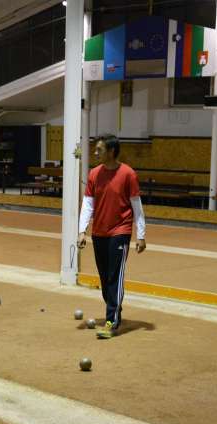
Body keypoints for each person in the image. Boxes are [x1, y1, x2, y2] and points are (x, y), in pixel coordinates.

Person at [78, 133, 146, 339]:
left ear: (111, 151)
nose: (95, 152)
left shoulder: (128, 174)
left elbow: (137, 207)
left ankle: (111, 321)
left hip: (120, 232)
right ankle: (115, 310)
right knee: (105, 278)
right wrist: (82, 231)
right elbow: (88, 204)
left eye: (99, 149)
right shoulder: (94, 174)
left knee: (115, 277)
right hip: (99, 232)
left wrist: (140, 235)